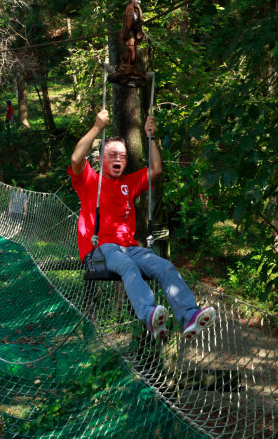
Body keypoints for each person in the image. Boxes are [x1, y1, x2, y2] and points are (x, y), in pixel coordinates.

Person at [68, 110, 216, 340]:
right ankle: (149, 314)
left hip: (129, 247)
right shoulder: (90, 181)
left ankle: (189, 316)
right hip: (99, 250)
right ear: (101, 158)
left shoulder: (129, 182)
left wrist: (151, 138)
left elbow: (156, 169)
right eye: (113, 154)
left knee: (164, 266)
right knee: (128, 266)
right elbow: (77, 159)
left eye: (123, 156)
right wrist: (97, 126)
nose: (118, 159)